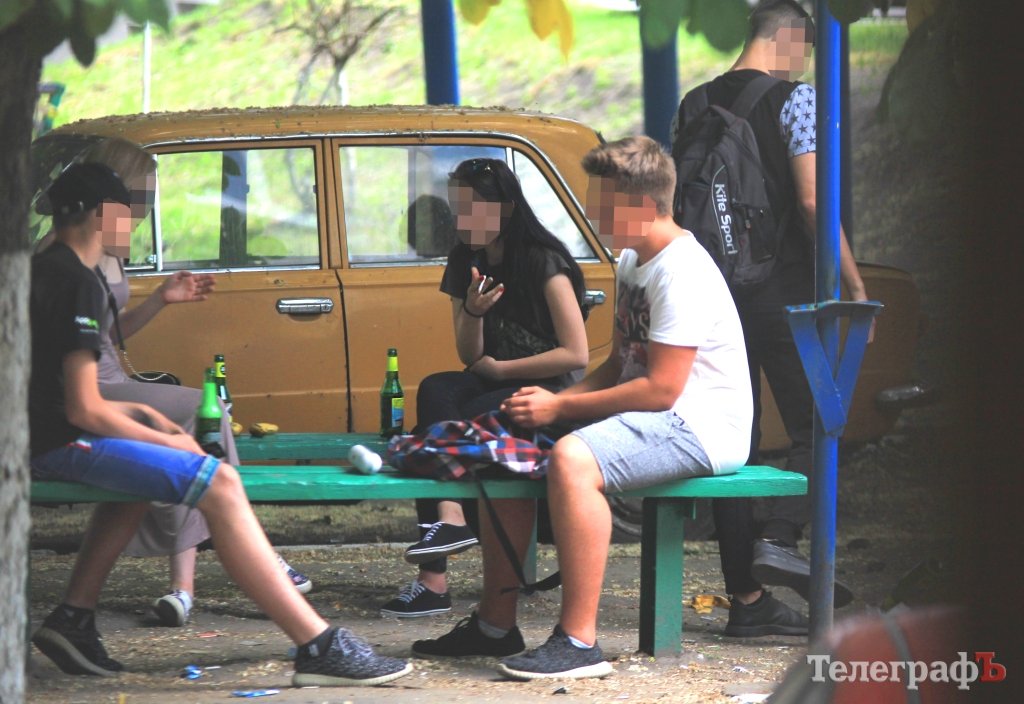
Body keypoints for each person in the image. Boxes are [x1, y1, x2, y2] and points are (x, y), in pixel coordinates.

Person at [28, 162, 411, 686]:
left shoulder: (46, 268)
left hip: (42, 433)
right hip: (56, 444)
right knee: (222, 483)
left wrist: (145, 416)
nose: (135, 223)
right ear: (103, 214)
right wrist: (174, 441)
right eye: (129, 213)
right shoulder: (76, 281)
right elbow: (82, 410)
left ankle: (73, 618)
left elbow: (60, 390)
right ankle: (319, 646)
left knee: (142, 478)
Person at [411, 135, 776, 679]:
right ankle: (494, 625)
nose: (590, 216)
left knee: (572, 460)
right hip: (654, 414)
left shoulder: (681, 271)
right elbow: (618, 367)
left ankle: (579, 642)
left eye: (600, 205)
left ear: (640, 205)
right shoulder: (632, 259)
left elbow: (661, 391)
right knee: (503, 442)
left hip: (699, 426)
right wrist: (552, 402)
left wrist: (559, 413)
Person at [38, 138, 312, 628]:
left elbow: (101, 335)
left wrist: (160, 301)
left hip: (95, 388)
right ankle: (256, 566)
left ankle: (135, 600)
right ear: (107, 207)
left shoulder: (86, 257)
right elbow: (81, 402)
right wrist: (166, 435)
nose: (143, 211)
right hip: (73, 408)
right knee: (200, 422)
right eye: (138, 198)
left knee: (177, 432)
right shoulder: (69, 267)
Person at [670, 0, 869, 611]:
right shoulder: (797, 101)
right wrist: (855, 286)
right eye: (804, 50)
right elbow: (811, 202)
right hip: (780, 291)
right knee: (819, 423)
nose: (803, 62)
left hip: (711, 294)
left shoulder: (693, 103)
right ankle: (780, 537)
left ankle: (747, 598)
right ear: (791, 41)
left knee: (736, 440)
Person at [380, 158, 589, 618]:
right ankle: (451, 517)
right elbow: (468, 355)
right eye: (457, 209)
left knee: (434, 431)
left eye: (473, 209)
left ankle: (432, 581)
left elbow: (576, 355)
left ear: (505, 209)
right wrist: (474, 313)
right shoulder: (464, 259)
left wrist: (501, 370)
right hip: (491, 376)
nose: (463, 220)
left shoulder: (543, 261)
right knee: (436, 389)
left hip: (549, 392)